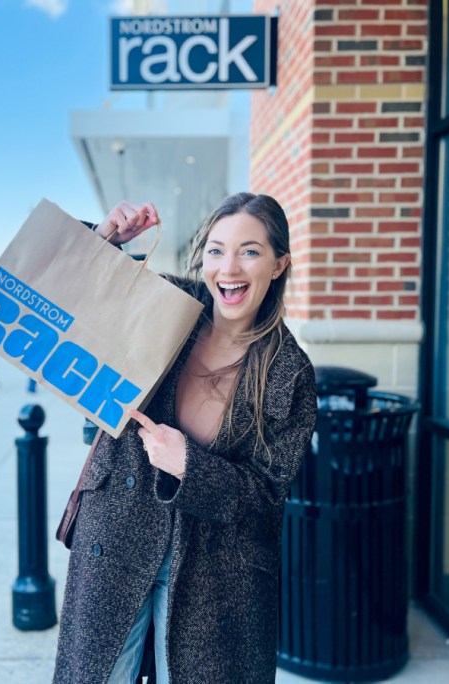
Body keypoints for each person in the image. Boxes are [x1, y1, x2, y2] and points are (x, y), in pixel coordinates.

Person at [53, 193, 318, 683]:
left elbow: (266, 502)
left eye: (250, 251)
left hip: (211, 575)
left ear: (279, 264)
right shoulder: (171, 305)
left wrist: (190, 468)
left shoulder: (288, 372)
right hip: (117, 537)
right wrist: (106, 240)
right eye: (216, 250)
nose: (228, 267)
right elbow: (70, 303)